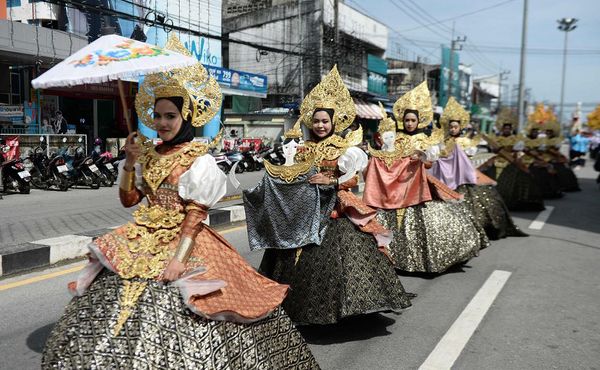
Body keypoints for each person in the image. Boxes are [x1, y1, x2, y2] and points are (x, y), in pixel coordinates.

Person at [42, 37, 319, 370]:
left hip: (184, 240)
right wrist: (130, 164)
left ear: (186, 116)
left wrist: (178, 259)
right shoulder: (146, 154)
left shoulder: (198, 160)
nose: (162, 123)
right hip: (140, 236)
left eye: (170, 116)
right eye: (157, 116)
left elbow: (196, 213)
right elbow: (130, 201)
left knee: (193, 306)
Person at [253, 66, 411, 325]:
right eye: (316, 121)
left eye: (325, 121)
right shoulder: (302, 147)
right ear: (309, 122)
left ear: (334, 122)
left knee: (341, 263)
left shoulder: (345, 148)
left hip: (335, 208)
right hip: (304, 210)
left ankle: (343, 308)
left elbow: (352, 179)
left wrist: (332, 181)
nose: (320, 125)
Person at [363, 83, 487, 273]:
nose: (409, 123)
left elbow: (430, 163)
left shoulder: (425, 140)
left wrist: (421, 158)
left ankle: (421, 258)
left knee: (426, 222)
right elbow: (388, 160)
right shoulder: (395, 138)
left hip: (419, 186)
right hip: (395, 187)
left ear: (419, 120)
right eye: (407, 120)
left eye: (412, 120)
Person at [430, 97, 526, 240]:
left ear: (460, 127)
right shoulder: (443, 142)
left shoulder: (466, 142)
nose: (452, 129)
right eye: (450, 126)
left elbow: (469, 159)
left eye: (455, 127)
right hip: (445, 178)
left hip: (464, 177)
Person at [480, 108, 545, 212]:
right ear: (502, 129)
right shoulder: (496, 139)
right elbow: (493, 149)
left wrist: (516, 150)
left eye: (508, 129)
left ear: (511, 129)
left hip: (511, 159)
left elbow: (519, 149)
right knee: (482, 170)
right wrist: (496, 149)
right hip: (497, 158)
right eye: (505, 128)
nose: (506, 130)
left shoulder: (516, 139)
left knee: (524, 173)